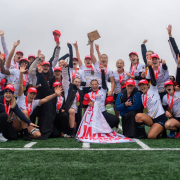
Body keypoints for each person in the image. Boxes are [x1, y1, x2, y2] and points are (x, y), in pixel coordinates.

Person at [15, 64, 63, 140]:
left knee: (38, 135)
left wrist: (55, 94)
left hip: (26, 124)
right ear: (27, 93)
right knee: (24, 113)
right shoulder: (21, 97)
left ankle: (24, 133)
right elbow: (21, 85)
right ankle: (25, 134)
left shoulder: (34, 102)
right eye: (31, 93)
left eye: (34, 94)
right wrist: (21, 73)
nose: (32, 96)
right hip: (17, 122)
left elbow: (46, 99)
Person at [135, 63, 168, 139]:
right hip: (151, 118)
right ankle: (142, 134)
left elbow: (153, 79)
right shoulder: (142, 95)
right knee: (138, 116)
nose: (142, 86)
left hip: (160, 118)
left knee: (151, 136)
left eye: (143, 85)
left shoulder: (153, 90)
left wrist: (150, 66)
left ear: (148, 85)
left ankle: (161, 129)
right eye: (140, 85)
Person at [83, 65, 119, 130]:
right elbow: (84, 104)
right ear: (91, 85)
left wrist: (102, 71)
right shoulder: (88, 94)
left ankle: (107, 129)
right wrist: (88, 104)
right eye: (93, 84)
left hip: (102, 112)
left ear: (98, 85)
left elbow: (104, 82)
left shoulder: (103, 91)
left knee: (116, 120)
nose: (94, 86)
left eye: (96, 84)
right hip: (93, 114)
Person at [37, 65, 69, 138]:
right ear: (52, 88)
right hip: (49, 118)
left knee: (64, 115)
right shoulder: (49, 93)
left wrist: (63, 109)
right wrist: (41, 73)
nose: (57, 88)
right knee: (55, 134)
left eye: (59, 87)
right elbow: (45, 85)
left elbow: (66, 78)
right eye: (55, 87)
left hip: (56, 117)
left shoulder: (63, 96)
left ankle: (63, 131)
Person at [62, 61, 83, 138]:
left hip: (77, 111)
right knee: (72, 111)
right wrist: (65, 68)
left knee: (76, 130)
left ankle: (72, 131)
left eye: (79, 82)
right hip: (70, 110)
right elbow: (65, 78)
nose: (77, 83)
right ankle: (70, 131)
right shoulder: (69, 89)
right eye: (76, 82)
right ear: (72, 82)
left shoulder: (80, 92)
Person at [163, 55, 180, 138]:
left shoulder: (178, 92)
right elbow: (164, 107)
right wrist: (166, 111)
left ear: (173, 86)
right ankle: (177, 131)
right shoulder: (165, 97)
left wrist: (178, 66)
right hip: (176, 118)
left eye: (170, 85)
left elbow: (178, 78)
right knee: (167, 125)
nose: (168, 87)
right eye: (166, 86)